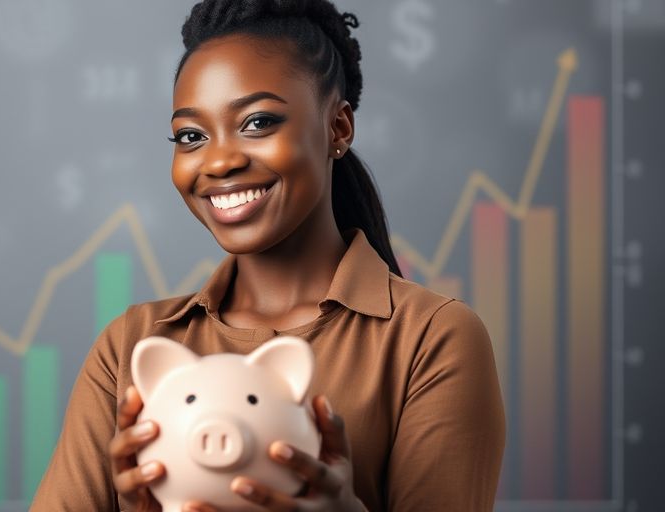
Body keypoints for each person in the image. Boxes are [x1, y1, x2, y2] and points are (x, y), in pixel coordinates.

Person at [31, 0, 506, 510]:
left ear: (338, 129)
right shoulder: (131, 347)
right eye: (191, 136)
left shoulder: (431, 338)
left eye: (257, 122)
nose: (219, 162)